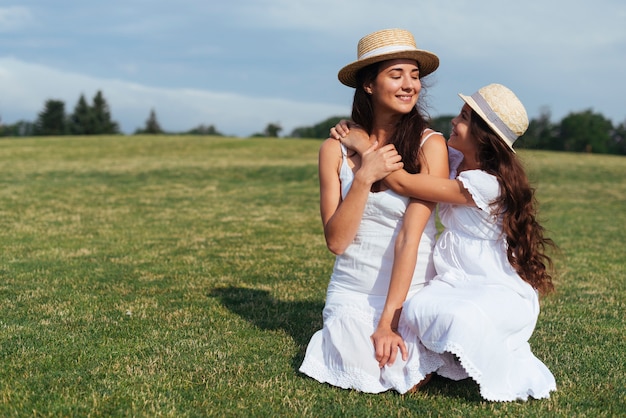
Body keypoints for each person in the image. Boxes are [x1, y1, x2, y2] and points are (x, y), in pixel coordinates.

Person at [331, 83, 557, 401]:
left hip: (492, 283)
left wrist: (363, 145)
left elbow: (401, 180)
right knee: (419, 309)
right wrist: (368, 128)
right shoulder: (455, 160)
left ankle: (467, 356)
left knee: (454, 316)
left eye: (464, 117)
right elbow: (413, 149)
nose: (453, 120)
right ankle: (432, 361)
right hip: (455, 276)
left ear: (482, 135)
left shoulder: (486, 185)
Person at [298, 28, 449, 394]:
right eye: (396, 75)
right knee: (361, 366)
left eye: (414, 76)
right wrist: (364, 176)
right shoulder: (333, 150)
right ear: (368, 84)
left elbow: (410, 238)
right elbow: (336, 241)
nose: (409, 85)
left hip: (410, 289)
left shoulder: (430, 145)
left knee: (400, 373)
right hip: (352, 289)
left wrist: (388, 322)